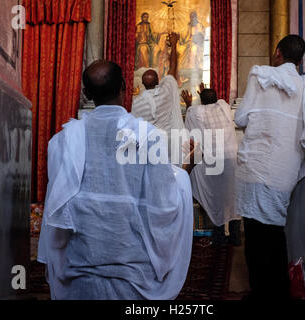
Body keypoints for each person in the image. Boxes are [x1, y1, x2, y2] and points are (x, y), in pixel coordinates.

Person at [37, 60, 196, 300]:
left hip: (80, 275)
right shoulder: (148, 136)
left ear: (86, 93)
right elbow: (165, 205)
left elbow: (57, 207)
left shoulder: (63, 139)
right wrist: (184, 175)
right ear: (124, 87)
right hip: (134, 277)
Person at [234, 35, 305, 299]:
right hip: (283, 173)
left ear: (277, 53)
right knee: (274, 234)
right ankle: (276, 292)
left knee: (254, 237)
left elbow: (240, 118)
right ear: (300, 59)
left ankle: (261, 293)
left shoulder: (261, 76)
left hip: (255, 167)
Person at [181, 84, 241, 245]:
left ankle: (220, 235)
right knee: (232, 196)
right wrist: (205, 94)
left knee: (215, 197)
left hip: (213, 163)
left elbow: (190, 118)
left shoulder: (195, 112)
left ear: (201, 100)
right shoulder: (224, 107)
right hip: (230, 159)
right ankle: (235, 236)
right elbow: (214, 100)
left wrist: (188, 102)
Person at [131, 32, 185, 161]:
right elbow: (173, 68)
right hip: (168, 144)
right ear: (158, 81)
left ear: (142, 83)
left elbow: (135, 129)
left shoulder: (137, 103)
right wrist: (173, 44)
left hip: (148, 148)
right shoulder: (166, 91)